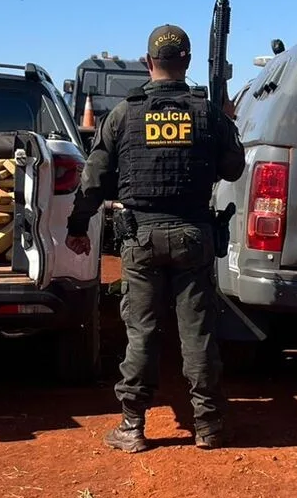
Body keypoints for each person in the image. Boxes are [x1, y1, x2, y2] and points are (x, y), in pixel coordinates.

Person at [65, 23, 246, 453]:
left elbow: (93, 179)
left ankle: (132, 426)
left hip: (141, 237)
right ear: (185, 62)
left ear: (149, 63)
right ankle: (209, 426)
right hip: (192, 235)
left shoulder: (124, 114)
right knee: (197, 332)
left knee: (141, 331)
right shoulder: (207, 114)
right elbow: (234, 168)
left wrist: (77, 227)